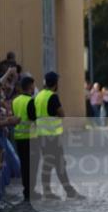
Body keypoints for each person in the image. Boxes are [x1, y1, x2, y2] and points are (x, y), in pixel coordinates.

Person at [35, 71, 82, 200]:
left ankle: (48, 192)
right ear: (55, 84)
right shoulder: (52, 96)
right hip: (52, 137)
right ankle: (69, 192)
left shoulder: (38, 96)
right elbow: (62, 113)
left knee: (48, 164)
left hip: (41, 136)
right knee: (60, 164)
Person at [11, 74, 37, 203]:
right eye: (33, 85)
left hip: (18, 137)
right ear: (30, 87)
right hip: (30, 138)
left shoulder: (15, 101)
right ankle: (30, 191)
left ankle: (27, 190)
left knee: (24, 165)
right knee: (32, 166)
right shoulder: (31, 101)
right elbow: (34, 118)